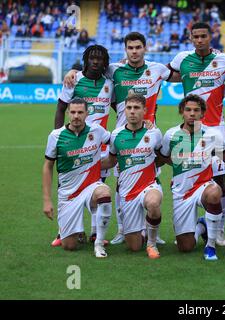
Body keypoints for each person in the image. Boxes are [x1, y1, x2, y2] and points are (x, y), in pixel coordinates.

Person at [64, 32, 180, 245]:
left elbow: (183, 75)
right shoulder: (114, 70)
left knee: (151, 176)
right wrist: (73, 71)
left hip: (148, 134)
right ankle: (122, 229)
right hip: (121, 135)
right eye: (130, 48)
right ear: (125, 50)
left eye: (138, 47)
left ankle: (152, 230)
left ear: (145, 48)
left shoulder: (157, 69)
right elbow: (91, 68)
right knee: (121, 182)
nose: (134, 51)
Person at [167, 22, 225, 247]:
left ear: (211, 36)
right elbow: (160, 74)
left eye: (203, 36)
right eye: (195, 36)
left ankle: (219, 230)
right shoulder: (182, 59)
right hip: (190, 130)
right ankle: (194, 221)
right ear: (190, 38)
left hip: (216, 127)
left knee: (220, 181)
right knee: (189, 170)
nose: (199, 40)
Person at [51, 45, 113, 247]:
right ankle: (65, 231)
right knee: (69, 190)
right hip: (72, 145)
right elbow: (61, 108)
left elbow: (119, 108)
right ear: (86, 60)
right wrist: (61, 142)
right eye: (92, 58)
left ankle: (96, 232)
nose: (96, 62)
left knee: (98, 190)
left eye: (100, 58)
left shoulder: (109, 84)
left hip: (98, 148)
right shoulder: (74, 79)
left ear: (105, 62)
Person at [42, 98, 112, 258]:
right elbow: (47, 166)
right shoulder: (56, 136)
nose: (76, 116)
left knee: (104, 192)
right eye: (73, 112)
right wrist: (47, 200)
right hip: (68, 194)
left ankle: (99, 243)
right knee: (70, 246)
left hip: (91, 187)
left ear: (87, 113)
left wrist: (145, 127)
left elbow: (117, 139)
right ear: (68, 113)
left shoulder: (97, 130)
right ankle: (76, 230)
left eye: (80, 112)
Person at [158, 95, 225, 260]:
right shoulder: (171, 134)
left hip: (203, 186)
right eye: (188, 110)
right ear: (182, 111)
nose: (192, 113)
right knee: (185, 247)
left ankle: (210, 247)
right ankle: (202, 226)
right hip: (181, 192)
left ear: (203, 113)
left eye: (196, 110)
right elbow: (163, 157)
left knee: (215, 192)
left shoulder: (212, 134)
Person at [101, 94, 163, 259]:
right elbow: (111, 160)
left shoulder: (154, 133)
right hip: (128, 193)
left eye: (136, 108)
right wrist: (89, 165)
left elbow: (163, 156)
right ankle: (143, 228)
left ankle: (152, 244)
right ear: (124, 110)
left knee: (153, 203)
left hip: (149, 185)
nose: (132, 112)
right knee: (134, 246)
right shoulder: (116, 135)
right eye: (129, 108)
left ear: (144, 110)